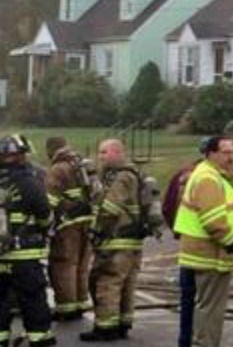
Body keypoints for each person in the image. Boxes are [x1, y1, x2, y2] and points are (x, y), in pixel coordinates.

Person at [0, 135, 55, 347]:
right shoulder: (30, 182)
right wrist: (43, 229)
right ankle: (39, 340)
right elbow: (45, 215)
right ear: (22, 155)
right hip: (22, 257)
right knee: (32, 301)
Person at [173, 136, 233, 347]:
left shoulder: (208, 175)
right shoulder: (208, 178)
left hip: (198, 253)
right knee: (210, 309)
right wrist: (231, 242)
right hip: (210, 255)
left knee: (197, 305)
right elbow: (213, 220)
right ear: (211, 153)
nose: (231, 157)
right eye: (226, 152)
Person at [80, 139, 146, 342]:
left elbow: (110, 208)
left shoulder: (123, 177)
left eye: (104, 152)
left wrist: (97, 229)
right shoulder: (133, 173)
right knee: (126, 284)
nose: (100, 157)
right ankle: (123, 323)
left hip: (116, 240)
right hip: (131, 241)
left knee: (105, 282)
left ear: (117, 153)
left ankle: (105, 328)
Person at [45, 136, 94, 322]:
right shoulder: (82, 165)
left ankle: (66, 308)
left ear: (51, 149)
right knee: (82, 265)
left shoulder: (58, 169)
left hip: (67, 225)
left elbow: (49, 201)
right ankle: (81, 303)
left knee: (63, 265)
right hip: (87, 222)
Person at [163, 155, 201, 347]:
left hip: (186, 246)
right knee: (206, 300)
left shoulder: (180, 177)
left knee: (187, 296)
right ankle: (201, 340)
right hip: (209, 251)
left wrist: (178, 231)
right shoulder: (214, 181)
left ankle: (184, 340)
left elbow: (167, 207)